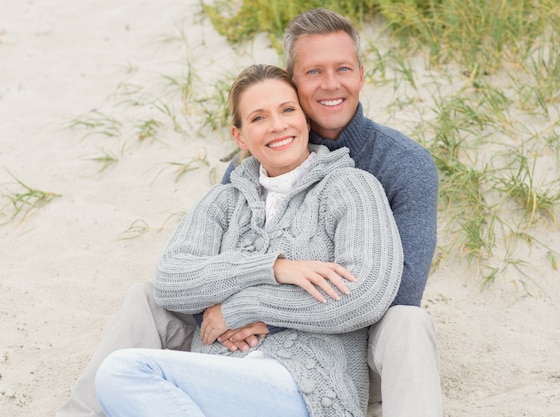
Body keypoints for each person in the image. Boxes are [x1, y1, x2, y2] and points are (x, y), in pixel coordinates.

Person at [57, 8, 441, 417]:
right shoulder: (239, 183)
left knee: (409, 322)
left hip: (345, 351)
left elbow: (384, 295)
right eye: (313, 72)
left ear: (361, 74)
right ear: (292, 84)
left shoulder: (389, 172)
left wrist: (249, 311)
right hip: (236, 359)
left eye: (343, 68)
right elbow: (184, 274)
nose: (331, 84)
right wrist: (275, 268)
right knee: (147, 298)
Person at [95, 63, 404, 417]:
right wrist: (273, 268)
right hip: (216, 381)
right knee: (122, 383)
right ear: (240, 137)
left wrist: (241, 308)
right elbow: (171, 281)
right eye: (258, 118)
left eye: (287, 110)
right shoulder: (222, 202)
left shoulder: (352, 187)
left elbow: (365, 295)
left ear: (305, 119)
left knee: (124, 372)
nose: (277, 125)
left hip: (307, 388)